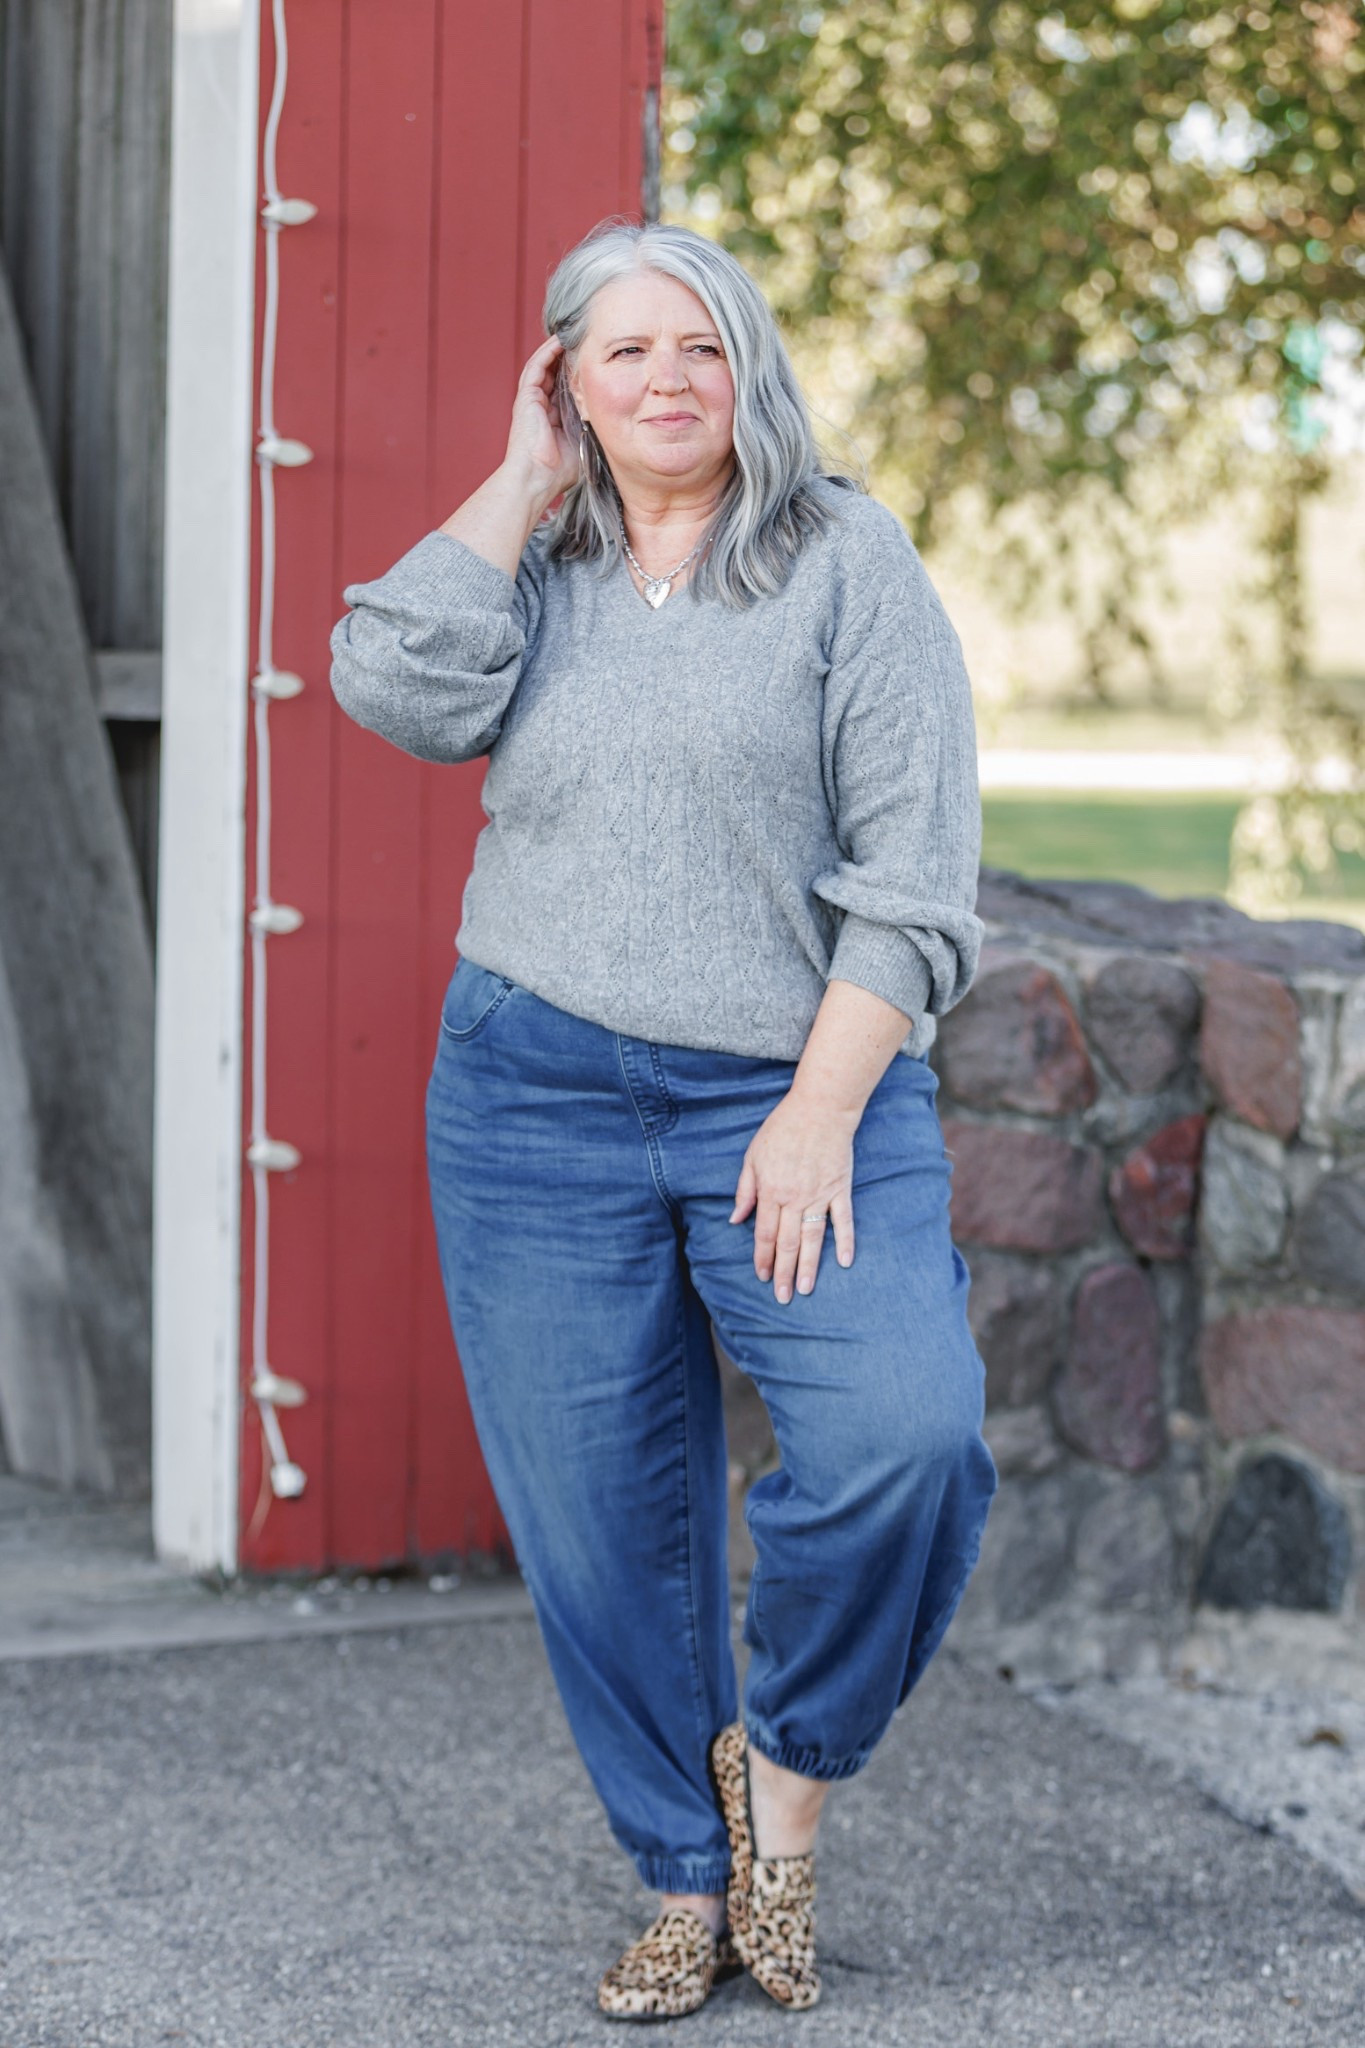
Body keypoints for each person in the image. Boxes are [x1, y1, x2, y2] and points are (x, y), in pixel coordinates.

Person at [329, 217, 997, 2021]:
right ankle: (681, 1879)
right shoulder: (531, 564)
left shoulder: (844, 561)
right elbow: (387, 681)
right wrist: (510, 474)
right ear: (568, 382)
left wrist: (813, 1113)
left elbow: (920, 884)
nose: (667, 381)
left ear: (750, 365)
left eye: (698, 345)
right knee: (603, 1519)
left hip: (797, 1094)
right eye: (620, 354)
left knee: (904, 1440)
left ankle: (778, 1802)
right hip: (532, 1098)